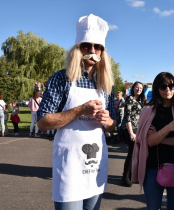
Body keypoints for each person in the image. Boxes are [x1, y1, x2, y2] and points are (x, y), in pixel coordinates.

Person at [37, 14, 117, 210]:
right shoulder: (61, 78)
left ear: (103, 52)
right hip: (70, 164)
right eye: (86, 46)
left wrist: (108, 121)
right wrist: (81, 109)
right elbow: (42, 122)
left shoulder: (106, 83)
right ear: (77, 49)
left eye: (97, 47)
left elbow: (114, 125)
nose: (92, 51)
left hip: (95, 164)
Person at [131, 72, 174, 209]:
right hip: (153, 168)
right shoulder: (149, 110)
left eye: (171, 86)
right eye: (163, 86)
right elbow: (149, 142)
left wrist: (159, 138)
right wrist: (169, 128)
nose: (168, 89)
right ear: (157, 88)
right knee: (152, 208)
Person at [121, 81, 146, 187]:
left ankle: (132, 175)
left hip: (137, 129)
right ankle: (125, 177)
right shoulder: (130, 99)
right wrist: (131, 133)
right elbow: (127, 117)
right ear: (133, 88)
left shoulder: (140, 100)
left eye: (141, 88)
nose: (139, 89)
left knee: (136, 153)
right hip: (129, 129)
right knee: (131, 153)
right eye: (137, 87)